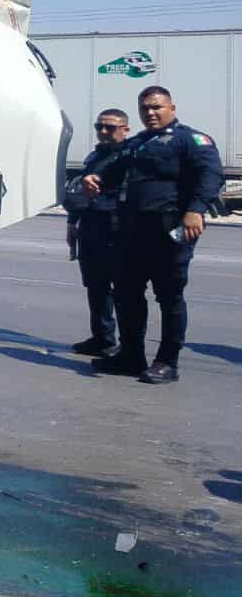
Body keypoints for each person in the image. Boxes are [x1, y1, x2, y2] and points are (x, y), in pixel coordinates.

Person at [82, 85, 223, 384]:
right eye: (145, 108)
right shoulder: (138, 144)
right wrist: (96, 178)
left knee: (169, 296)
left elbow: (211, 175)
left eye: (156, 107)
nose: (150, 113)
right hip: (133, 234)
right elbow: (113, 168)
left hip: (170, 231)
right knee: (127, 294)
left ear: (172, 108)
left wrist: (196, 209)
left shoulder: (191, 140)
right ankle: (131, 356)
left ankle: (167, 362)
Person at [67, 108, 129, 356]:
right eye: (99, 127)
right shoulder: (93, 157)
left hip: (116, 230)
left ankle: (128, 346)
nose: (103, 132)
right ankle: (102, 338)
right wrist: (72, 224)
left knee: (124, 290)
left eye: (110, 127)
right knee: (95, 286)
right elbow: (82, 193)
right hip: (90, 229)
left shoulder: (130, 157)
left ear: (125, 129)